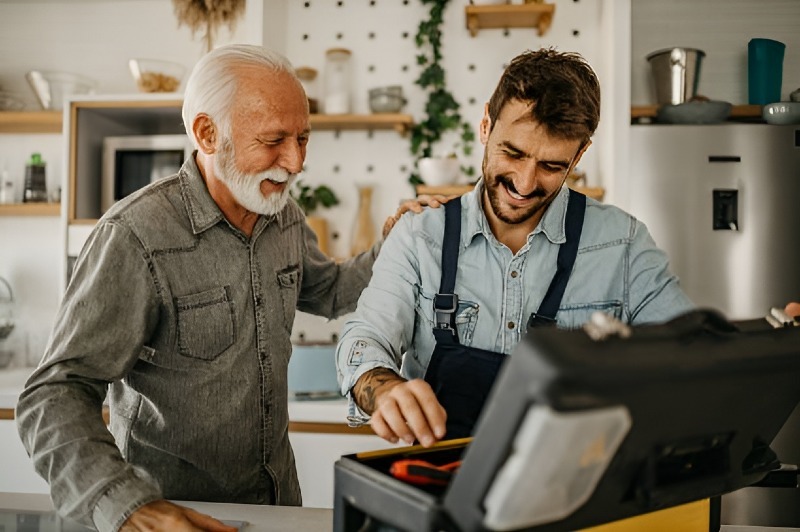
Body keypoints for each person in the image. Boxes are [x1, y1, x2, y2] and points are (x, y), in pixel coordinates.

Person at [15, 44, 438, 532]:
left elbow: (330, 290)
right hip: (172, 514)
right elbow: (54, 393)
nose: (296, 161)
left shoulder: (284, 217)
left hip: (276, 506)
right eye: (275, 139)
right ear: (207, 133)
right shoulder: (134, 236)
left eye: (303, 138)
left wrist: (393, 245)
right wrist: (128, 507)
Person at [336, 48, 697, 448]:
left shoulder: (623, 244)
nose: (525, 184)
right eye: (514, 153)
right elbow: (364, 338)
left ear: (580, 154)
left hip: (574, 492)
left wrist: (770, 347)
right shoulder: (420, 236)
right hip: (438, 487)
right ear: (486, 125)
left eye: (552, 166)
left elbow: (687, 353)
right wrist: (384, 388)